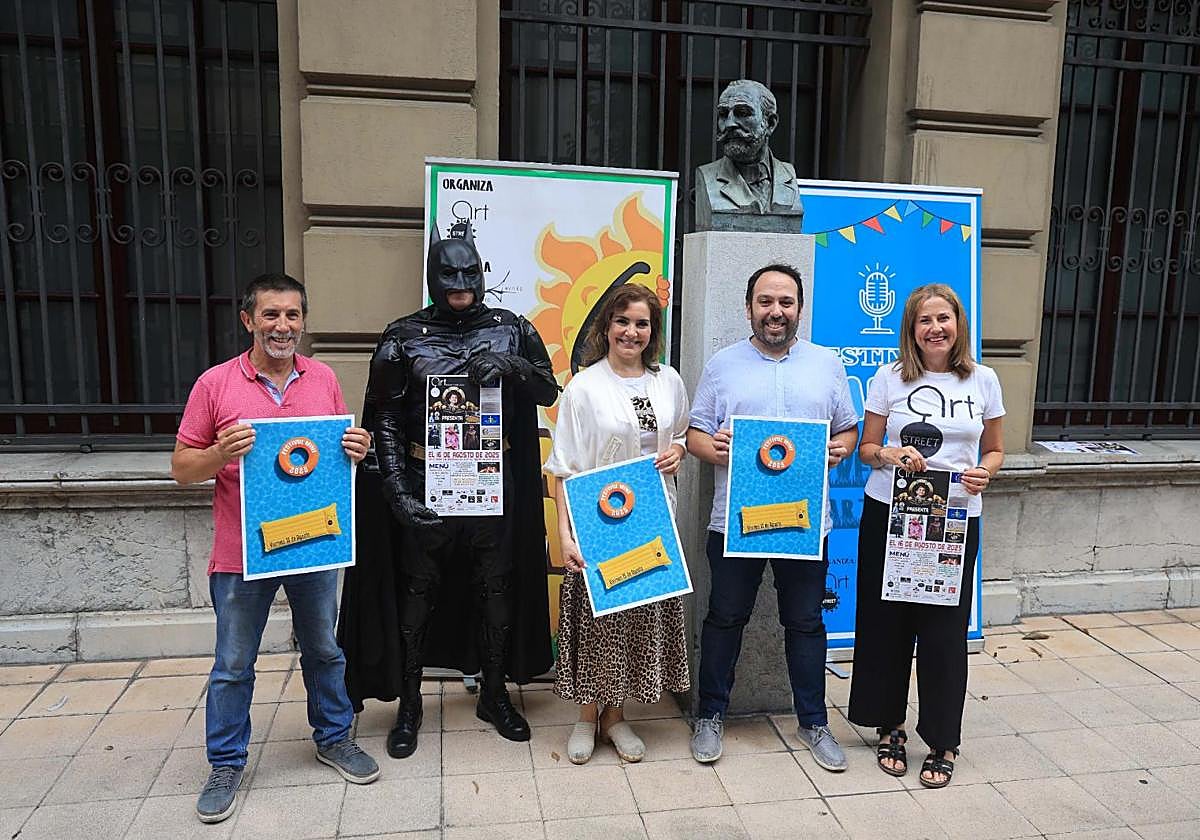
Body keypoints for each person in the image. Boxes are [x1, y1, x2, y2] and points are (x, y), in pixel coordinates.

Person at [338, 224, 559, 759]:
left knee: (497, 589)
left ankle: (494, 693)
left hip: (493, 483)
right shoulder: (402, 337)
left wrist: (511, 365)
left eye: (469, 272)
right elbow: (384, 417)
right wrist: (396, 488)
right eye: (449, 273)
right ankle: (410, 703)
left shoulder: (512, 329)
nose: (460, 283)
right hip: (424, 481)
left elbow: (548, 389)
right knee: (416, 594)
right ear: (432, 277)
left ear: (481, 274)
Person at [172, 273, 379, 824]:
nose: (282, 326)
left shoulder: (324, 378)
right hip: (242, 553)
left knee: (325, 650)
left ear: (303, 321)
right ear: (249, 320)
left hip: (313, 546)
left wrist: (356, 447)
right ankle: (225, 763)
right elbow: (181, 469)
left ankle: (334, 737)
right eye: (270, 314)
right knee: (233, 664)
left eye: (292, 315)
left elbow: (333, 453)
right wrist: (219, 453)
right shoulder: (216, 384)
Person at [687, 264, 859, 770]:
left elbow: (848, 430)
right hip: (736, 522)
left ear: (799, 308)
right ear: (749, 308)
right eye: (765, 301)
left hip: (804, 524)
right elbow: (695, 435)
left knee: (805, 622)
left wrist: (840, 448)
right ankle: (709, 715)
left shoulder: (827, 365)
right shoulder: (722, 365)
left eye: (786, 302)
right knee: (724, 618)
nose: (775, 311)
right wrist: (715, 449)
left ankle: (814, 722)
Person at [848, 283, 1005, 788]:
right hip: (891, 515)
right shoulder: (889, 378)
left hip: (954, 519)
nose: (935, 328)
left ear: (958, 324)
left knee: (943, 633)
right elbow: (867, 448)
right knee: (886, 624)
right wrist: (889, 454)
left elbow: (995, 450)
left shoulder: (983, 379)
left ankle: (942, 739)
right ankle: (889, 725)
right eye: (924, 320)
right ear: (911, 330)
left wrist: (985, 471)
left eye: (944, 318)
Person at [543, 283, 691, 764]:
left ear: (653, 331)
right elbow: (563, 467)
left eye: (641, 323)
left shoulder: (668, 381)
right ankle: (587, 718)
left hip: (652, 519)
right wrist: (565, 535)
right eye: (622, 321)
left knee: (632, 621)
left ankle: (616, 717)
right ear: (606, 326)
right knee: (597, 622)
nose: (631, 332)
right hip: (597, 521)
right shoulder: (584, 387)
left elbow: (681, 434)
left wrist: (678, 450)